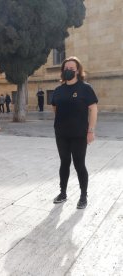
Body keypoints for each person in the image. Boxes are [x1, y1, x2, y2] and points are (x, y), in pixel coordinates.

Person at [51, 56, 98, 209]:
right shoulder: (58, 90)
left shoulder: (85, 88)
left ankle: (83, 196)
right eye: (66, 68)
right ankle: (62, 193)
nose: (69, 70)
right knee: (64, 162)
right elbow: (55, 109)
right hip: (61, 134)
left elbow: (93, 109)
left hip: (79, 134)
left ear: (78, 70)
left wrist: (90, 130)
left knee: (79, 164)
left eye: (72, 68)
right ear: (62, 71)